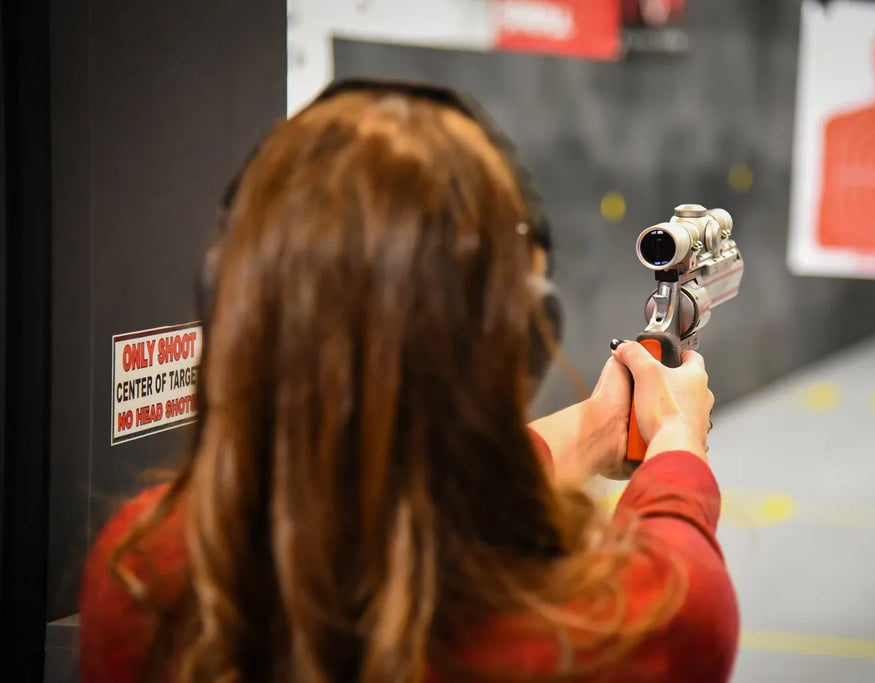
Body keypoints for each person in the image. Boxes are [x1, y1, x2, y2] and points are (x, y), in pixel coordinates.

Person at [78, 80, 738, 682]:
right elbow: (684, 578)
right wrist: (678, 441)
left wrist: (600, 425)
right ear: (527, 333)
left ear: (228, 304)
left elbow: (395, 494)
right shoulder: (618, 627)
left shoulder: (142, 573)